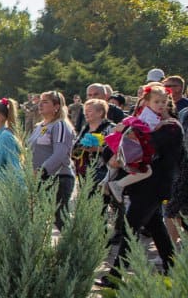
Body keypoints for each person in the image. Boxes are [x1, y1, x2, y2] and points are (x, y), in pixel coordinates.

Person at [103, 84, 182, 285]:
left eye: (164, 103)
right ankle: (173, 267)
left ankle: (115, 275)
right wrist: (124, 132)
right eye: (157, 102)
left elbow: (150, 146)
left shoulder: (172, 126)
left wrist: (133, 132)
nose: (161, 106)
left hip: (155, 185)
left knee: (130, 227)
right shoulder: (140, 123)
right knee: (155, 226)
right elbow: (122, 147)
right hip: (142, 185)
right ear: (146, 103)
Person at [27, 90, 77, 230]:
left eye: (45, 102)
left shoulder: (60, 125)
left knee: (60, 219)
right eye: (40, 101)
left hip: (58, 178)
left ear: (56, 106)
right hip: (39, 179)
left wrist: (42, 170)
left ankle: (78, 249)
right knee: (36, 219)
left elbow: (60, 153)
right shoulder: (39, 126)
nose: (40, 105)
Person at [72, 98, 114, 187]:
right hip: (84, 170)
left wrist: (97, 149)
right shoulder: (85, 128)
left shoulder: (110, 128)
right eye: (85, 111)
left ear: (100, 113)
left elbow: (116, 150)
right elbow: (76, 147)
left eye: (89, 111)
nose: (85, 114)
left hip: (103, 172)